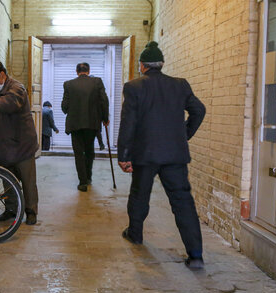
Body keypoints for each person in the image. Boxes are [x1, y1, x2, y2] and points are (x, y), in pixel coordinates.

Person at [117, 41, 206, 269]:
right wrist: (183, 135)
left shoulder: (134, 87)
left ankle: (135, 234)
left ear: (142, 65)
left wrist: (124, 155)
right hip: (174, 156)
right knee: (183, 203)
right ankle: (195, 255)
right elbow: (199, 110)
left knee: (139, 195)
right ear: (162, 64)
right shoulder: (180, 85)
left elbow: (128, 124)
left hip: (144, 154)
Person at [0, 60, 39, 225]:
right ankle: (11, 210)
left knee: (28, 181)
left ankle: (31, 212)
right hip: (6, 146)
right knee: (8, 181)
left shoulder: (17, 88)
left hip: (22, 144)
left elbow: (9, 102)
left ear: (2, 75)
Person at [61, 62, 110, 192]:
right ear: (88, 71)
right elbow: (104, 100)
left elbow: (64, 107)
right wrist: (105, 118)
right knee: (89, 151)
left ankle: (82, 182)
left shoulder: (68, 84)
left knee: (78, 153)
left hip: (75, 124)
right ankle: (88, 177)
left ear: (77, 72)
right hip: (92, 123)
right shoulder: (97, 82)